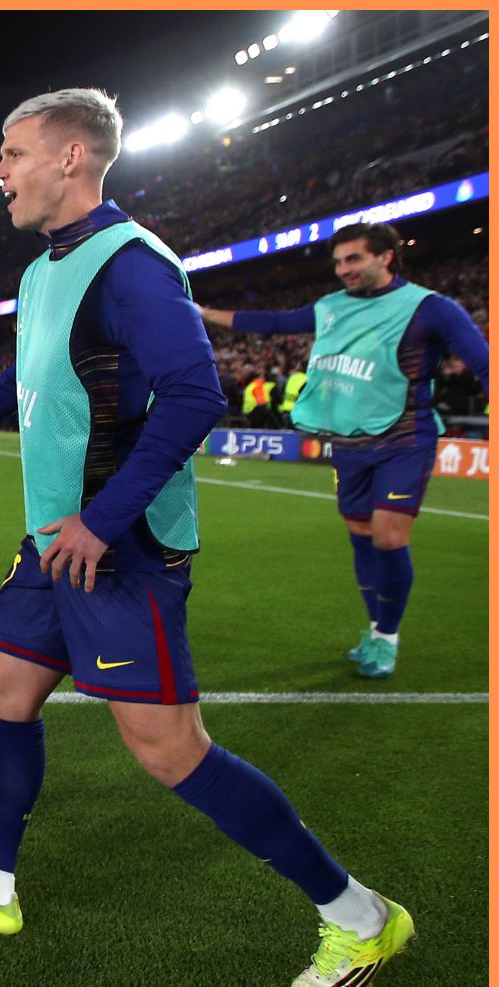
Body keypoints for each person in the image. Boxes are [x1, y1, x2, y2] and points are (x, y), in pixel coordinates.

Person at [0, 88, 412, 987]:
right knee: (8, 698)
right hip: (55, 540)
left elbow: (194, 395)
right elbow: (32, 372)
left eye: (12, 153)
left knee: (171, 751)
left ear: (70, 158)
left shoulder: (134, 265)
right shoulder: (44, 267)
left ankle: (364, 916)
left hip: (120, 546)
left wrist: (104, 520)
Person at [198, 222, 489, 677]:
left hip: (404, 438)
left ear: (385, 257)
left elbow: (483, 363)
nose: (343, 269)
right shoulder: (331, 307)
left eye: (353, 259)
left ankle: (387, 638)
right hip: (348, 442)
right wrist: (204, 313)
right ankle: (375, 628)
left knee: (389, 536)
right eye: (337, 262)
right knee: (360, 535)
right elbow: (275, 323)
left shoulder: (431, 308)